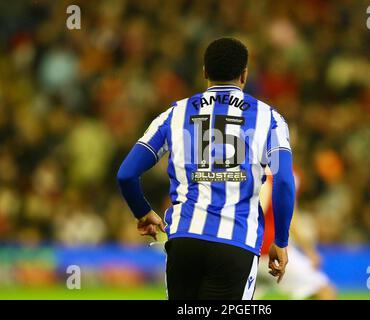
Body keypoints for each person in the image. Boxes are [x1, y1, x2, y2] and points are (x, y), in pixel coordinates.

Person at [117, 37, 296, 300]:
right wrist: (280, 240)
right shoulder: (269, 118)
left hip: (184, 240)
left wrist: (143, 212)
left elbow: (126, 174)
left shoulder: (174, 114)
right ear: (244, 75)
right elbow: (283, 182)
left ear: (204, 72)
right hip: (236, 243)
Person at [256, 167, 337, 300]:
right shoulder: (287, 174)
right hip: (273, 251)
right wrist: (309, 250)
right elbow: (290, 219)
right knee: (324, 290)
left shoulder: (249, 169)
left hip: (248, 250)